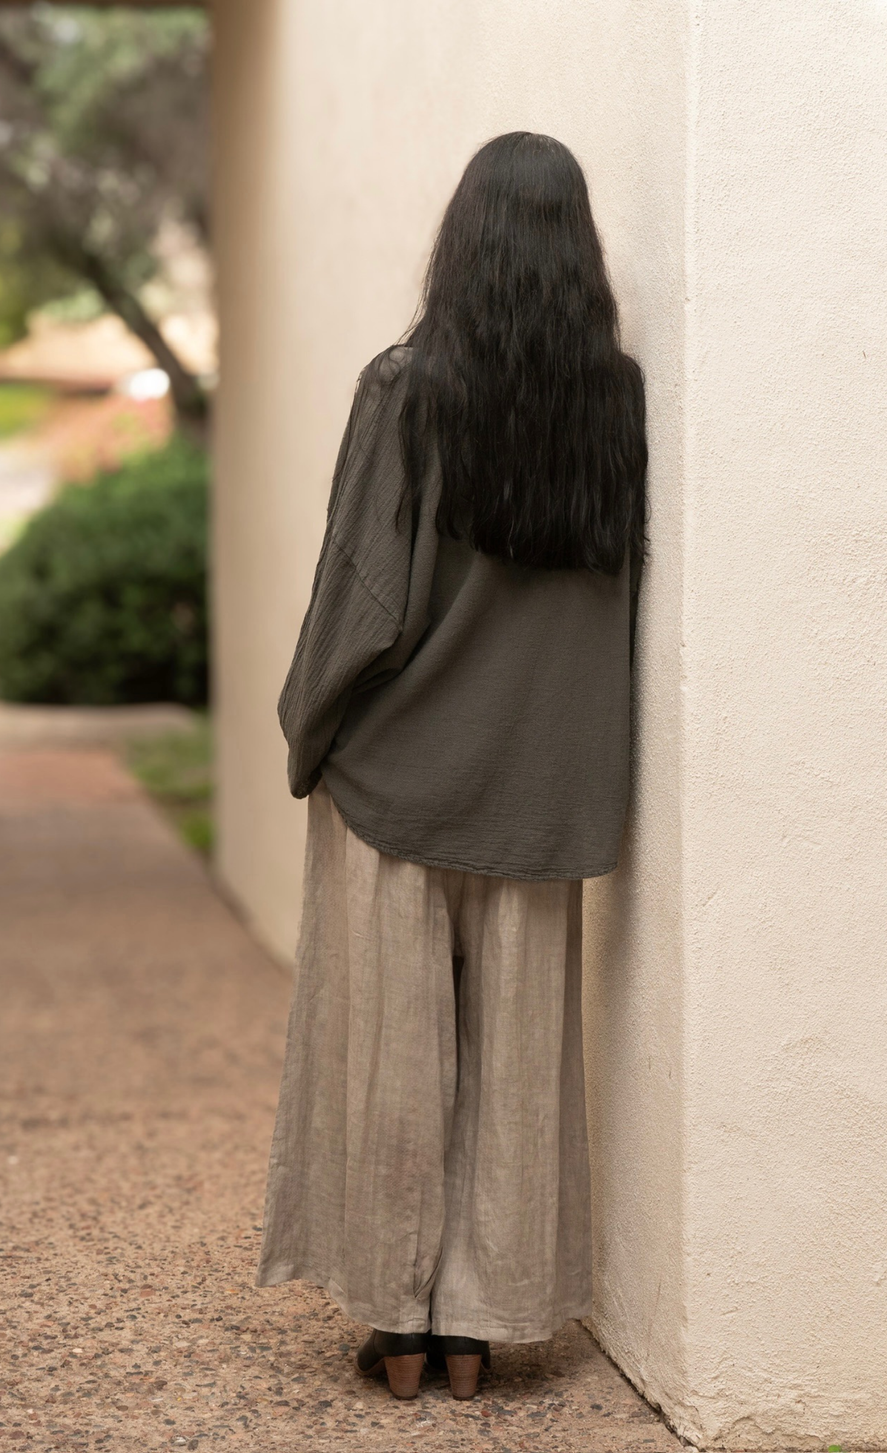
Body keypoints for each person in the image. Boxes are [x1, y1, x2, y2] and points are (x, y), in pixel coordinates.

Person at [255, 131, 647, 1403]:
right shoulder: (617, 406)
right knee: (518, 1070)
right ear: (579, 251)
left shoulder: (407, 386)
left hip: (401, 781)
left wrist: (309, 732)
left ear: (462, 240)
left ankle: (401, 1325)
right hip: (543, 795)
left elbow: (359, 591)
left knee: (394, 1061)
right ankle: (478, 1331)